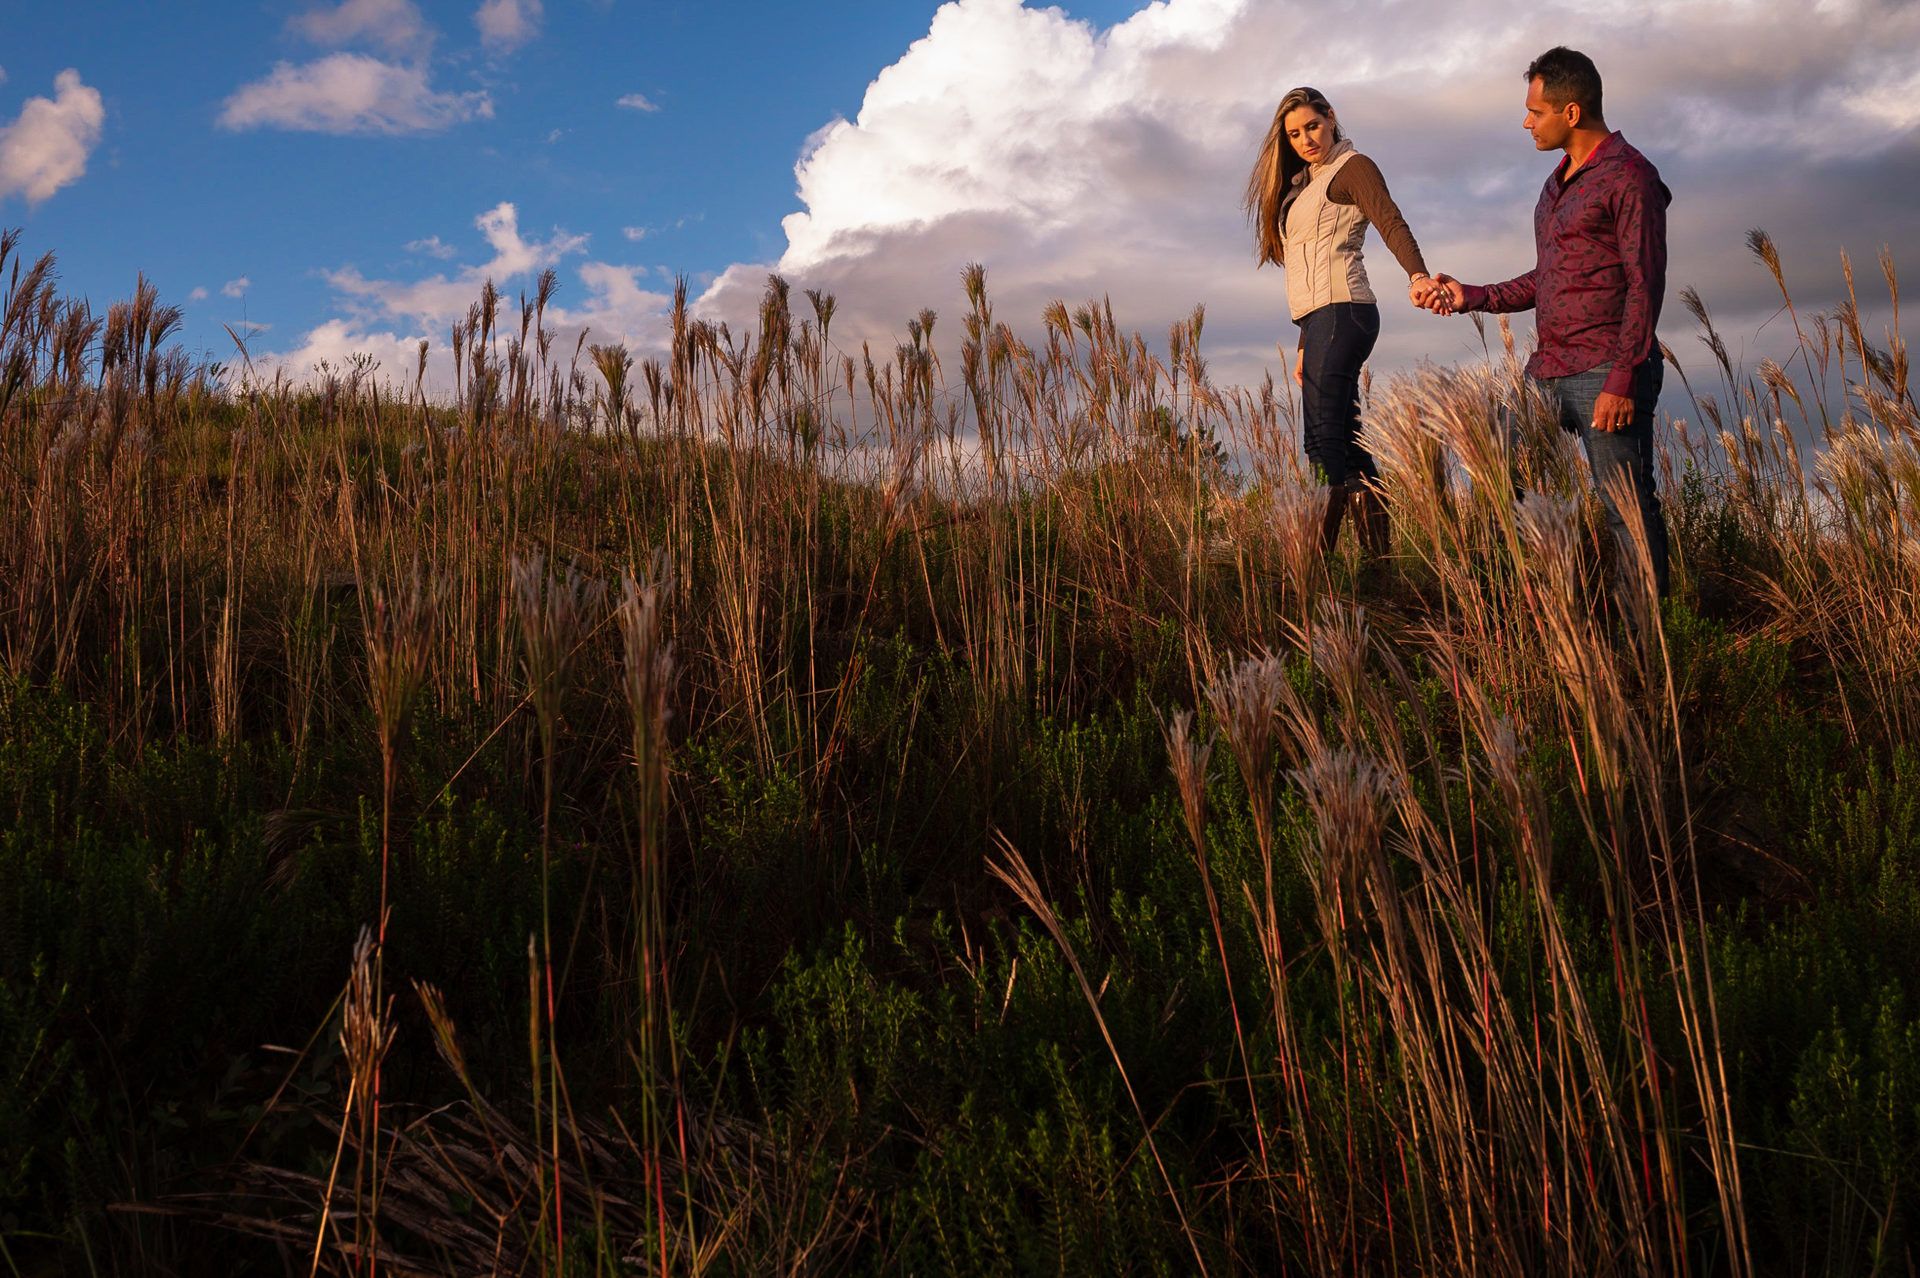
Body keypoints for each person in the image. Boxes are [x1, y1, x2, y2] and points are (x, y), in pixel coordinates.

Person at [1424, 47, 1673, 597]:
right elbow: (1551, 277)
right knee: (1495, 466)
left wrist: (1624, 377)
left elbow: (1644, 282)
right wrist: (1472, 295)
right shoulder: (1556, 183)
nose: (1525, 122)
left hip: (1607, 370)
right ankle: (1542, 603)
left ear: (1572, 113)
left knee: (1626, 511)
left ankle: (1648, 647)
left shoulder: (1631, 177)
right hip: (1550, 369)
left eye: (1535, 112)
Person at [1245, 86, 1445, 555]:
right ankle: (1379, 564)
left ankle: (1316, 570)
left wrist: (1417, 273)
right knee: (1348, 443)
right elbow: (1304, 270)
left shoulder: (1353, 167)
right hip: (1320, 321)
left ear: (1331, 117)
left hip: (1345, 311)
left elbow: (1390, 220)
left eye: (1312, 126)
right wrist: (1302, 341)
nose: (1305, 139)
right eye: (1294, 134)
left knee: (1321, 440)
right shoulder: (1303, 186)